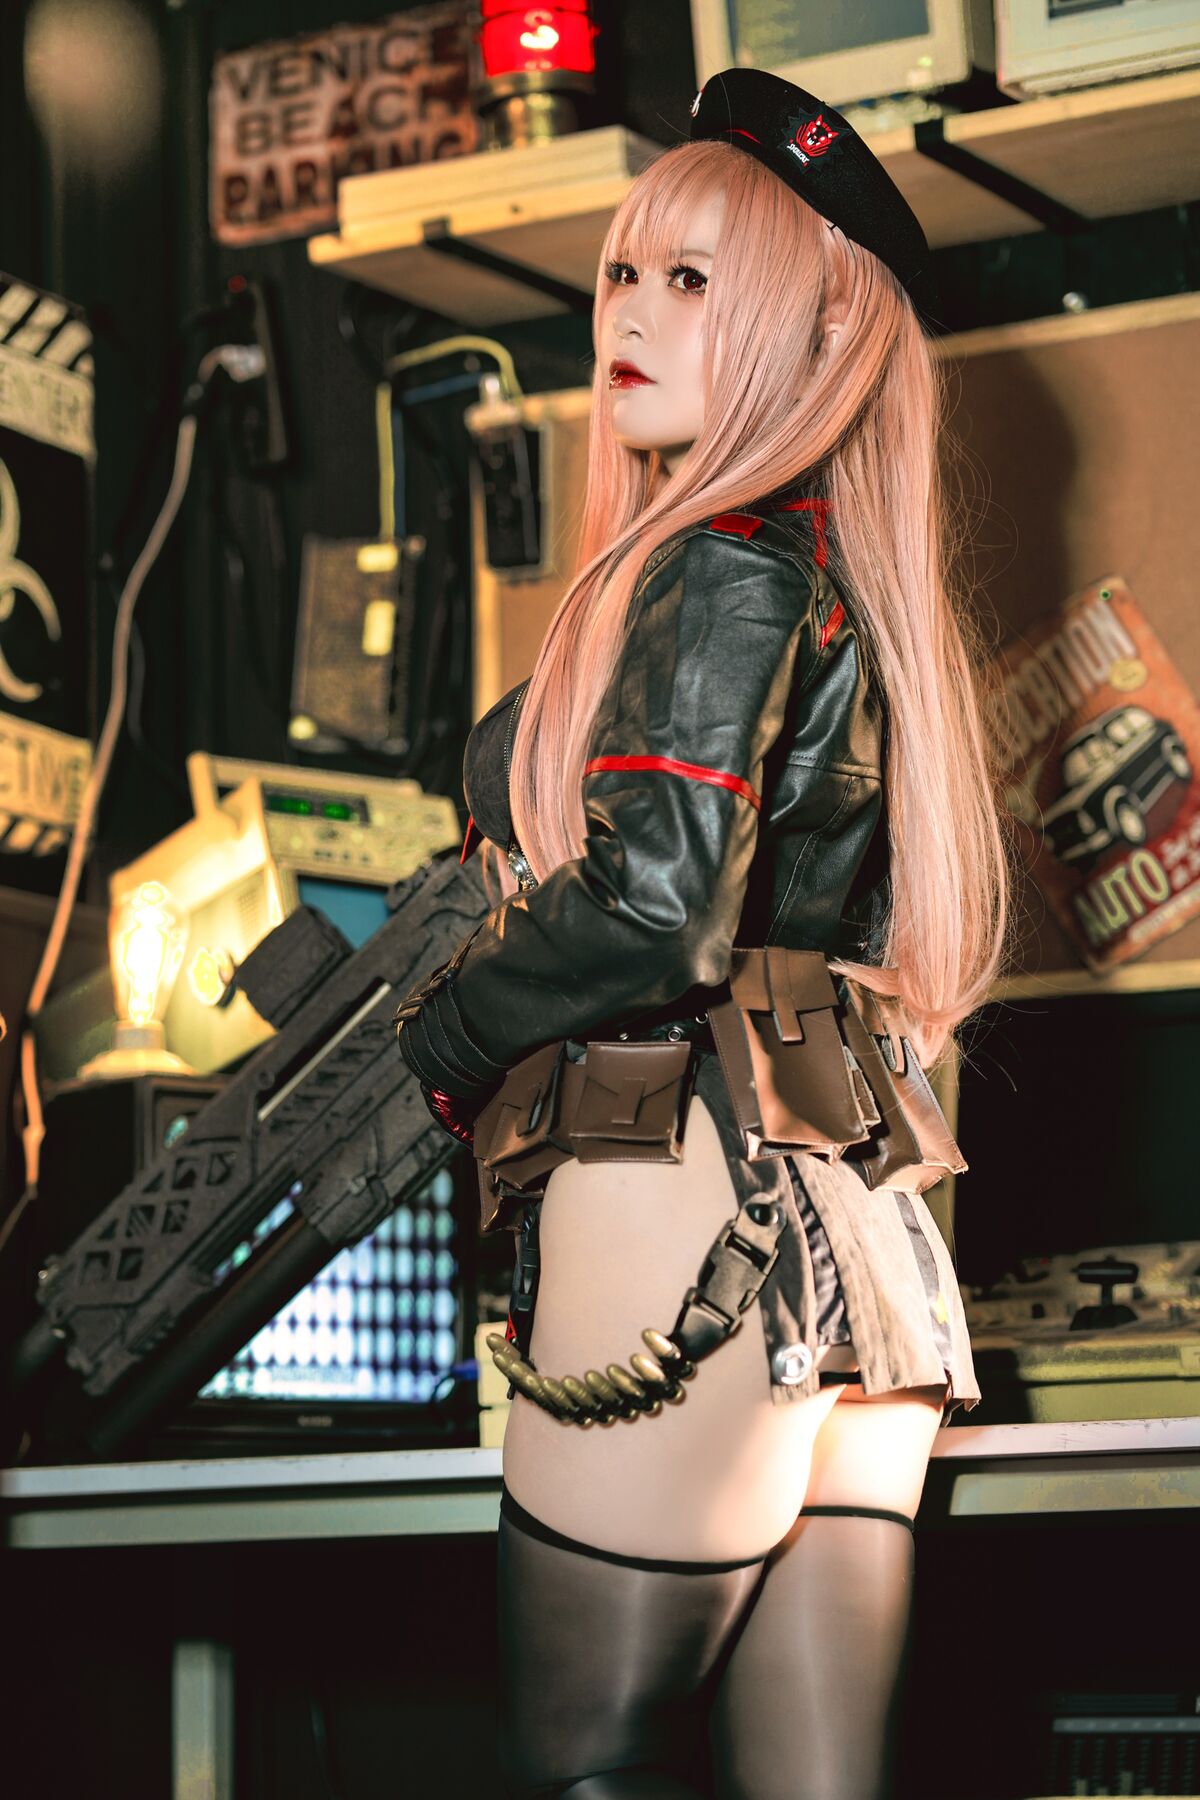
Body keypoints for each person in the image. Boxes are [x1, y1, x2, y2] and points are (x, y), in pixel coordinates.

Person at [396, 66, 1012, 1800]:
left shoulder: (723, 559)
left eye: (694, 280)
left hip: (678, 1197)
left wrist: (444, 1042)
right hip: (865, 1229)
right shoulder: (841, 573)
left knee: (581, 1767)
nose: (633, 315)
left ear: (815, 334)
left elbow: (655, 912)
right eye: (623, 272)